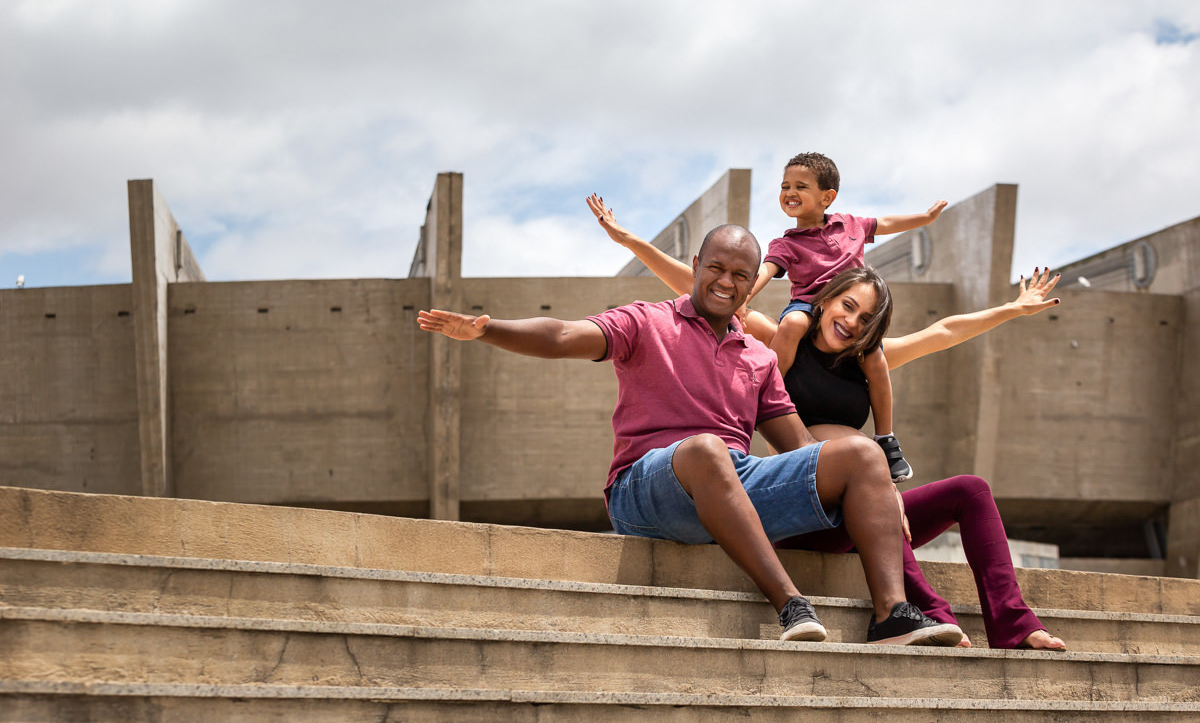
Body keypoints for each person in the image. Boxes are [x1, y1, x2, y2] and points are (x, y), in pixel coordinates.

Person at [420, 224, 963, 648]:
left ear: (753, 286)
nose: (726, 282)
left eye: (740, 276)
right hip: (646, 489)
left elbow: (802, 449)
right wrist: (487, 329)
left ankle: (892, 615)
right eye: (716, 268)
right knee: (707, 448)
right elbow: (563, 335)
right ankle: (790, 604)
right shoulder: (646, 321)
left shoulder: (758, 357)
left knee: (862, 454)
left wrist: (876, 483)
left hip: (731, 485)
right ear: (697, 266)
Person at [588, 195, 1067, 650]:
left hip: (858, 500)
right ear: (828, 300)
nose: (853, 322)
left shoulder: (869, 361)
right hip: (798, 504)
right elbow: (710, 285)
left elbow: (942, 333)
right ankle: (930, 611)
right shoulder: (777, 340)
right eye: (848, 306)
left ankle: (1014, 624)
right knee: (870, 478)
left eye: (867, 318)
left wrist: (1012, 308)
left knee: (971, 490)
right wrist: (630, 241)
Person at [745, 153, 948, 484]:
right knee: (792, 324)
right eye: (785, 186)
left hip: (847, 315)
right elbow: (767, 270)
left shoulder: (850, 225)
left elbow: (888, 224)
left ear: (827, 197)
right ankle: (766, 397)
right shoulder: (786, 243)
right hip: (810, 309)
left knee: (876, 360)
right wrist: (746, 296)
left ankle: (886, 438)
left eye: (800, 186)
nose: (789, 192)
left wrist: (923, 219)